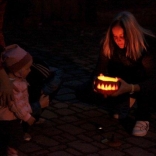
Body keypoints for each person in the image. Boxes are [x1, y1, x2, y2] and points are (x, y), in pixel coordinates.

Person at [77, 11, 156, 137]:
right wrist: (97, 85)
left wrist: (131, 88)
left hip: (145, 82)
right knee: (83, 92)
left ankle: (143, 117)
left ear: (131, 34)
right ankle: (125, 99)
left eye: (122, 36)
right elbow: (99, 72)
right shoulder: (109, 45)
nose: (118, 40)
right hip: (123, 80)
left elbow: (152, 81)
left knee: (145, 86)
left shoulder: (147, 46)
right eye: (115, 36)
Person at [0, 44, 50, 155]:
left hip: (10, 118)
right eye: (27, 68)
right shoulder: (14, 85)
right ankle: (10, 151)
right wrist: (28, 117)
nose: (30, 70)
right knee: (15, 136)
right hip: (8, 119)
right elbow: (16, 105)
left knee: (12, 136)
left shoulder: (18, 80)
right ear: (17, 71)